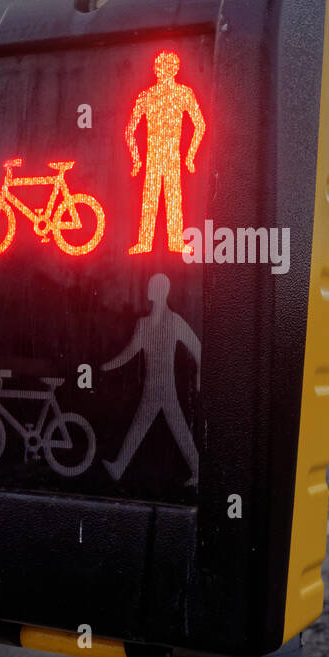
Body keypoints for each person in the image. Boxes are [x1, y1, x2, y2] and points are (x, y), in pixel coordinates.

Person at [101, 273, 201, 486]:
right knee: (150, 425)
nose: (147, 289)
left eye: (151, 285)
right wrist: (108, 365)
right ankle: (119, 467)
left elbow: (198, 348)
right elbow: (130, 353)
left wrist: (200, 376)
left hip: (164, 387)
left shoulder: (174, 321)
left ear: (161, 290)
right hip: (152, 387)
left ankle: (120, 467)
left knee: (164, 426)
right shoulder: (143, 324)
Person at [124, 51, 205, 255]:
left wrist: (190, 156)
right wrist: (136, 159)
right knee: (153, 197)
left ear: (175, 69)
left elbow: (200, 125)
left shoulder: (183, 93)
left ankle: (172, 242)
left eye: (168, 67)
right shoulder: (147, 95)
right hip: (157, 152)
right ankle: (147, 243)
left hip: (170, 152)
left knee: (170, 196)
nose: (164, 71)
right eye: (162, 67)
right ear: (155, 70)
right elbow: (129, 130)